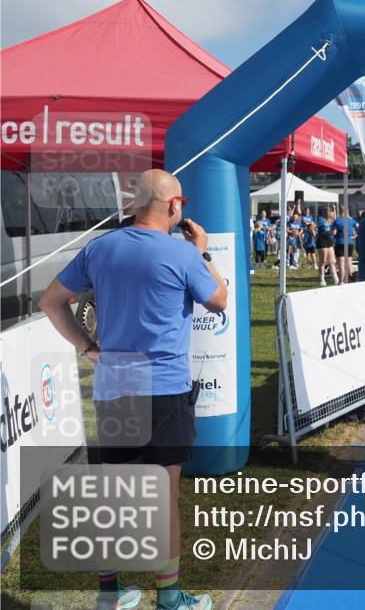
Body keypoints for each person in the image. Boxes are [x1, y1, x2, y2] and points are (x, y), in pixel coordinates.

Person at [38, 169, 226, 610]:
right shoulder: (181, 254)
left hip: (115, 385)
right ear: (175, 206)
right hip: (163, 389)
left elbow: (49, 301)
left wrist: (88, 347)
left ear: (134, 204)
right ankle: (169, 597)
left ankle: (110, 593)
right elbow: (218, 300)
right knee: (164, 497)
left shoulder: (100, 248)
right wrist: (203, 252)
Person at [332, 205, 358, 285]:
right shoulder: (351, 220)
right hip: (350, 242)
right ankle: (352, 280)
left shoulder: (337, 220)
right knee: (349, 262)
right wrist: (355, 235)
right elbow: (358, 226)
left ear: (339, 211)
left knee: (341, 264)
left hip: (340, 242)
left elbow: (334, 233)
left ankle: (341, 281)